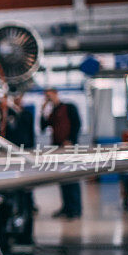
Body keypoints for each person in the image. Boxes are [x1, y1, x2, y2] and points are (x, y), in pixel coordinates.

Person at [0, 93, 36, 250]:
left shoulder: (24, 115)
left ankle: (24, 237)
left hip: (23, 163)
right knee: (7, 201)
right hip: (7, 163)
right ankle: (4, 238)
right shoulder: (4, 116)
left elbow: (26, 137)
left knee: (25, 201)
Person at [40, 87, 82, 218]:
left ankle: (75, 208)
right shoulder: (52, 112)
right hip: (57, 149)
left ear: (55, 94)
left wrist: (70, 140)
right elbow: (43, 127)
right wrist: (43, 109)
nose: (49, 98)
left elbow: (77, 124)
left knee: (72, 177)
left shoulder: (69, 107)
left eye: (50, 95)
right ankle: (66, 207)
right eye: (46, 96)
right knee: (62, 178)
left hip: (69, 147)